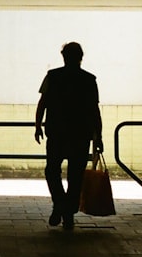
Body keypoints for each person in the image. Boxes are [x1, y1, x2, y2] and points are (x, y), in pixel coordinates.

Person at [34, 42, 104, 229]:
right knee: (76, 175)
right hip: (81, 134)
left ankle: (60, 204)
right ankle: (68, 210)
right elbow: (94, 110)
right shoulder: (89, 80)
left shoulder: (53, 76)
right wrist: (98, 136)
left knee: (52, 171)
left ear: (63, 56)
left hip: (57, 132)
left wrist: (38, 125)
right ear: (81, 57)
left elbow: (43, 103)